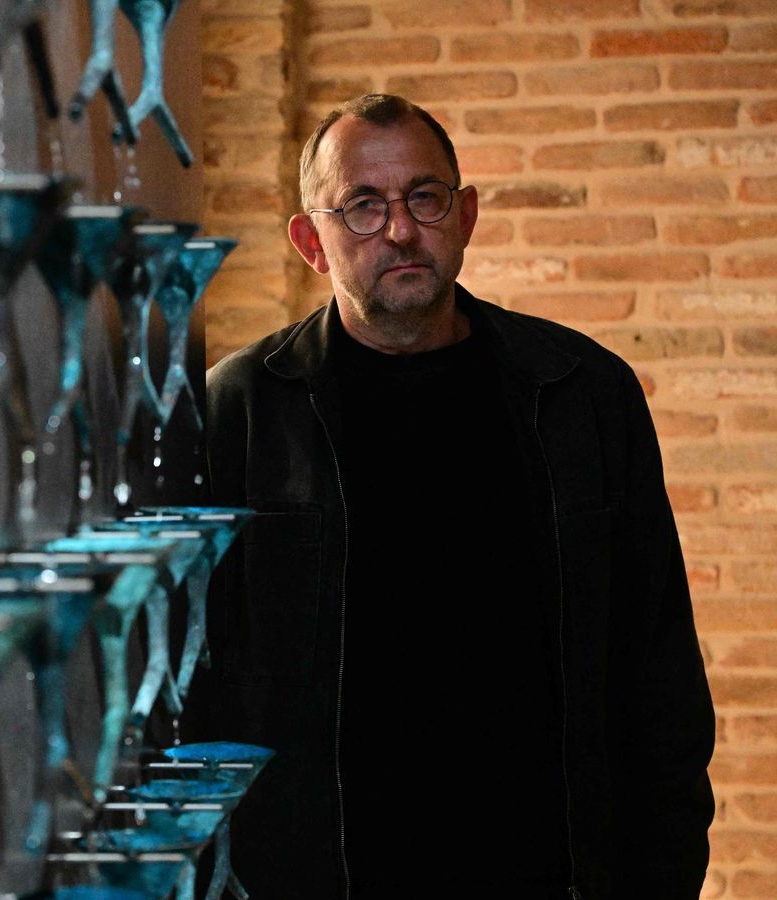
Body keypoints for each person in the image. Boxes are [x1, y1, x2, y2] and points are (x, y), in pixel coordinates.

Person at [192, 93, 715, 899]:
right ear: (311, 243)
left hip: (553, 874)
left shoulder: (583, 393)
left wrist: (664, 878)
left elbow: (659, 672)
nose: (400, 230)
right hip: (322, 878)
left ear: (465, 216)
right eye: (362, 206)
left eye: (424, 197)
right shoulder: (240, 410)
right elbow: (193, 687)